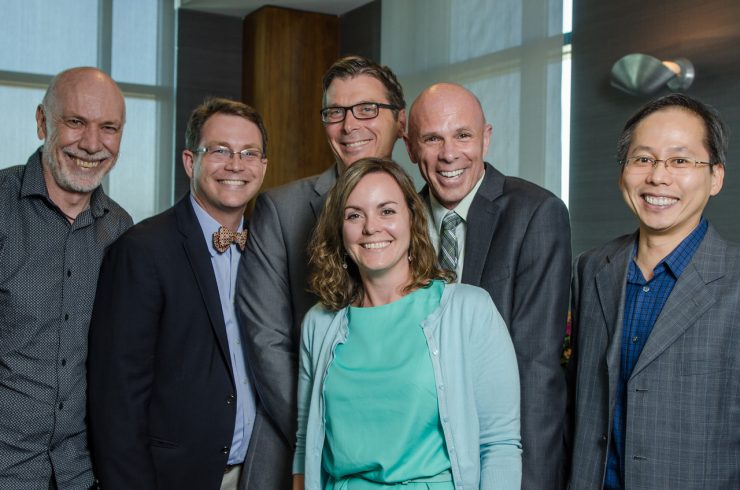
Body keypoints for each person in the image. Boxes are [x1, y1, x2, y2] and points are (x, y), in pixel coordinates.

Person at [294, 158, 521, 489]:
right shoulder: (319, 324)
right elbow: (305, 443)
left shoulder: (468, 310)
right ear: (340, 232)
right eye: (354, 215)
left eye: (387, 211)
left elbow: (499, 445)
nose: (371, 227)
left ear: (412, 220)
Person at [235, 55, 407, 485]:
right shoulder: (283, 210)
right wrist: (334, 429)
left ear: (400, 122)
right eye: (335, 112)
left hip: (405, 456)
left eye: (367, 109)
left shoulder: (418, 209)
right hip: (297, 449)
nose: (350, 126)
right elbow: (266, 340)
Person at [87, 98, 269, 489]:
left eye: (249, 153)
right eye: (219, 150)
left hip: (257, 474)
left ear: (263, 167)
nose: (236, 164)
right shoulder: (142, 249)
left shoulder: (270, 248)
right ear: (190, 161)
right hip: (175, 478)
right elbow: (116, 399)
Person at [568, 93, 739, 489]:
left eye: (680, 160)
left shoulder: (734, 279)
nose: (658, 176)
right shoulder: (592, 267)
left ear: (716, 177)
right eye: (643, 159)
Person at [405, 82, 571, 489]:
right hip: (414, 459)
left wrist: (530, 481)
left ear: (486, 137)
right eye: (432, 138)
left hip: (496, 457)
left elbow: (536, 366)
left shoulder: (536, 213)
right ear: (410, 147)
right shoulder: (393, 220)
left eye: (463, 135)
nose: (449, 154)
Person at [0, 67, 131, 489]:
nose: (92, 144)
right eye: (75, 122)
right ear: (42, 122)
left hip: (80, 475)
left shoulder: (122, 230)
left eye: (108, 127)